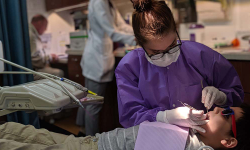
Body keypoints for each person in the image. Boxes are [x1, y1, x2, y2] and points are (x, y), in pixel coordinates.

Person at [115, 0, 244, 131]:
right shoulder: (129, 67)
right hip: (155, 138)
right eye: (156, 53)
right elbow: (130, 116)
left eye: (171, 46)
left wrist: (222, 97)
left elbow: (236, 95)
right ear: (139, 43)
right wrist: (164, 117)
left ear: (176, 30)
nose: (166, 56)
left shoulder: (201, 55)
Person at [0, 104, 249, 150]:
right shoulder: (192, 128)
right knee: (27, 134)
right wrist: (168, 117)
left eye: (227, 114)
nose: (218, 108)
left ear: (229, 141)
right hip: (96, 141)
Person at [77, 0, 136, 136]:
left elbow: (121, 25)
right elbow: (113, 32)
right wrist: (138, 39)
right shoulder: (98, 2)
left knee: (88, 100)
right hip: (96, 60)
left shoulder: (109, 3)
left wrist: (139, 32)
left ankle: (82, 131)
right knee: (93, 104)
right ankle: (90, 142)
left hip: (101, 58)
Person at [29, 14, 64, 79]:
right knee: (58, 73)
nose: (46, 29)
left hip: (32, 69)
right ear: (39, 23)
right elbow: (34, 60)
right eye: (45, 26)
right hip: (32, 71)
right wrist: (49, 58)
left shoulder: (31, 32)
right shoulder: (31, 35)